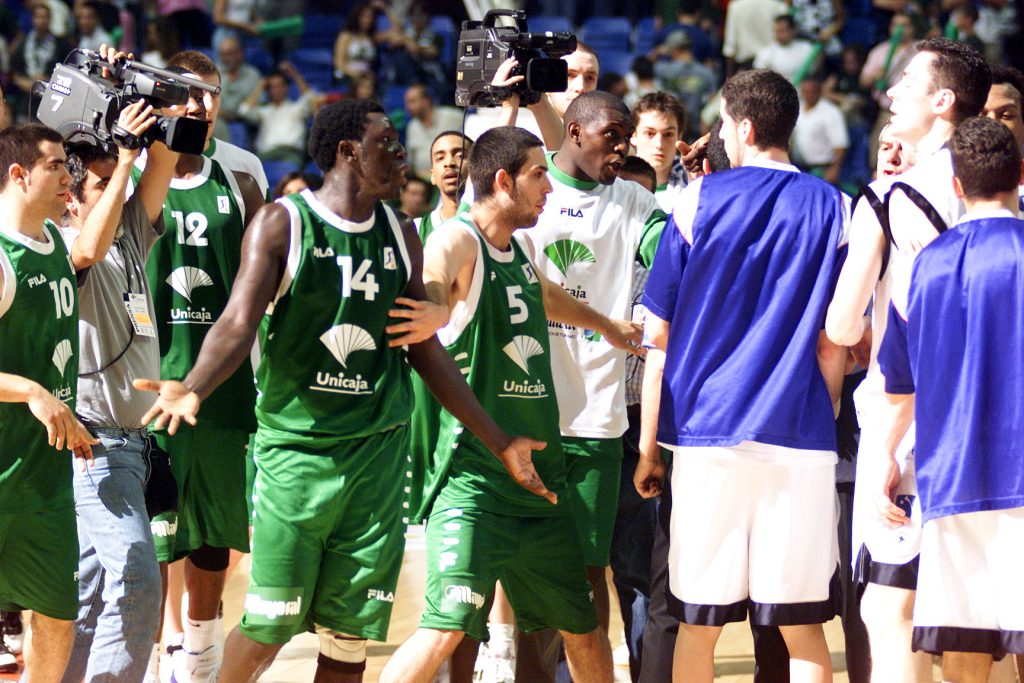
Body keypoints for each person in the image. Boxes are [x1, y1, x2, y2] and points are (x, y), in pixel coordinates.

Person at [137, 98, 555, 683]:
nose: (402, 155)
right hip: (298, 456)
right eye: (387, 142)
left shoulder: (400, 231)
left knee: (349, 638)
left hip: (375, 459)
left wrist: (500, 440)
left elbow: (423, 348)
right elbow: (236, 322)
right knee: (269, 626)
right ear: (347, 152)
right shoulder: (283, 221)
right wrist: (195, 388)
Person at [380, 124, 643, 683]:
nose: (549, 187)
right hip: (477, 482)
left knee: (583, 632)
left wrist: (607, 326)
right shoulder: (458, 238)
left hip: (541, 488)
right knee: (444, 627)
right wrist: (431, 306)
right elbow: (435, 275)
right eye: (538, 174)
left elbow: (545, 293)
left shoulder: (519, 247)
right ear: (503, 180)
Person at [635, 69, 849, 683]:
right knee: (803, 627)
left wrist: (650, 447)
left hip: (706, 437)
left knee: (698, 627)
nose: (721, 135)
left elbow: (660, 337)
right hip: (799, 435)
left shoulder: (693, 201)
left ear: (745, 127)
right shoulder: (837, 206)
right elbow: (835, 338)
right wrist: (822, 405)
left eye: (725, 124)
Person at [825, 37, 990, 683]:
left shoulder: (898, 195)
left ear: (943, 100)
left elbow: (848, 324)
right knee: (974, 619)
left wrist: (870, 332)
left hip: (913, 424)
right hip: (987, 417)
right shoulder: (997, 189)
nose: (889, 94)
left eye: (905, 83)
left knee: (891, 611)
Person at [517, 89, 667, 663]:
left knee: (587, 571)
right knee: (526, 572)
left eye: (627, 136)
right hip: (524, 409)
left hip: (596, 417)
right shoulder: (530, 185)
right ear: (575, 132)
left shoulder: (633, 201)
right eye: (613, 135)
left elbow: (673, 255)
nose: (623, 147)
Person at [875, 115, 1024, 683]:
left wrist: (888, 456)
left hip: (950, 478)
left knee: (965, 645)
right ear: (1020, 175)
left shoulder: (923, 266)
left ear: (956, 185)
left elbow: (899, 383)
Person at [140, 49, 266, 683]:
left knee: (213, 539)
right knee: (158, 536)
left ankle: (202, 662)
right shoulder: (136, 169)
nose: (200, 105)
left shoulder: (242, 177)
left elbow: (261, 289)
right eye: (187, 93)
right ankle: (162, 658)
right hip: (147, 383)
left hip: (221, 389)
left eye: (210, 93)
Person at [57, 85, 178, 681]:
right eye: (101, 186)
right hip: (94, 447)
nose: (120, 192)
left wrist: (160, 113)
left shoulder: (131, 233)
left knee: (84, 605)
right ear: (70, 200)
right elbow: (88, 248)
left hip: (131, 448)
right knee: (135, 577)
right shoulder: (62, 244)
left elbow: (164, 165)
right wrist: (124, 156)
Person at [0, 123, 96, 683]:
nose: (68, 176)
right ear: (19, 174)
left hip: (45, 484)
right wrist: (32, 391)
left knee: (58, 617)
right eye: (57, 165)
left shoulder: (59, 244)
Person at [240, 62, 323, 167]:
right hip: (266, 154)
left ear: (286, 88)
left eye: (279, 86)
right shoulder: (264, 111)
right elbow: (244, 110)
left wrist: (294, 74)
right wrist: (261, 85)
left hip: (291, 153)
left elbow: (311, 99)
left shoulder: (297, 108)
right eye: (272, 87)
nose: (276, 90)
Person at [629, 92, 689, 213]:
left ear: (679, 137)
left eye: (668, 134)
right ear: (633, 135)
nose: (659, 144)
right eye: (650, 133)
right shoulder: (614, 182)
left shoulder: (695, 183)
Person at [415, 130, 472, 243]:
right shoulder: (415, 230)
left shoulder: (495, 227)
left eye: (460, 156)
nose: (449, 163)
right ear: (432, 176)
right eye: (440, 158)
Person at [792, 75, 849, 185]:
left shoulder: (831, 112)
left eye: (811, 92)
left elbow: (840, 144)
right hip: (799, 167)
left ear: (818, 92)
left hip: (821, 170)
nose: (807, 95)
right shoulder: (798, 108)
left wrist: (834, 169)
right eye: (805, 92)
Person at [403, 84, 463, 179]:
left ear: (425, 101)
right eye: (407, 103)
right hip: (423, 182)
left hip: (452, 177)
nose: (407, 107)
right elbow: (411, 162)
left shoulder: (453, 117)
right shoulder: (412, 126)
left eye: (412, 102)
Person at [213, 35, 261, 141]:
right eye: (223, 55)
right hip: (217, 120)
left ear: (240, 53)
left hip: (244, 123)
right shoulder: (214, 74)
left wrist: (238, 114)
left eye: (230, 54)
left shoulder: (252, 75)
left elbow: (258, 105)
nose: (226, 59)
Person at [721, 0, 788, 76]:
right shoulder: (779, 6)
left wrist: (729, 76)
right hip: (773, 66)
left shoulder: (736, 6)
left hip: (750, 67)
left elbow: (730, 47)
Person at [753, 15, 818, 84]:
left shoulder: (807, 48)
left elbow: (813, 71)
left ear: (793, 30)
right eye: (777, 31)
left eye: (783, 31)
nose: (779, 35)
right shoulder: (766, 52)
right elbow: (759, 75)